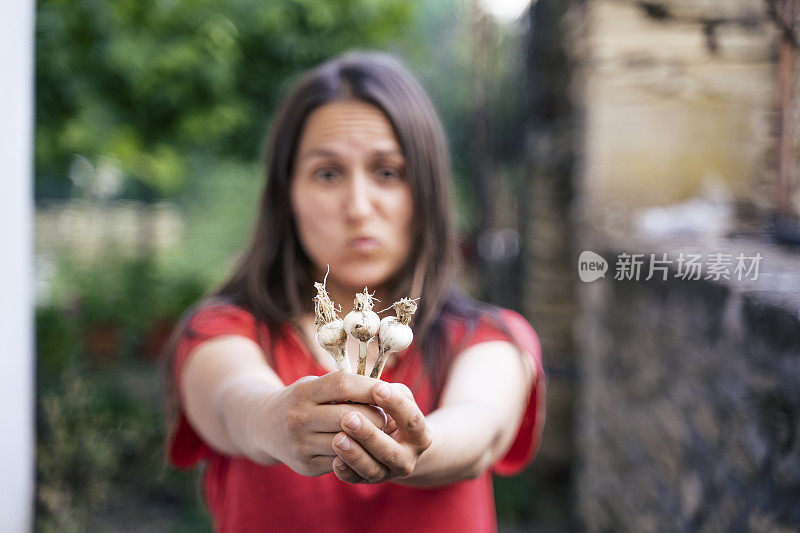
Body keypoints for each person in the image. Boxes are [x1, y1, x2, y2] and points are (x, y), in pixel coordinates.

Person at [166, 51, 545, 533]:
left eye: (387, 172)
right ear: (288, 196)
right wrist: (278, 420)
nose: (359, 207)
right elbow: (232, 403)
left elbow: (479, 429)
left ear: (424, 191)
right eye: (328, 173)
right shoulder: (221, 331)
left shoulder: (490, 338)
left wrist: (414, 447)